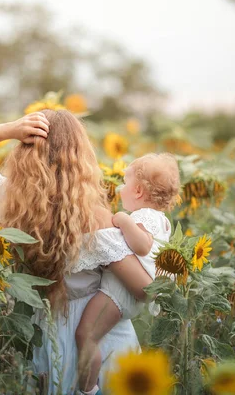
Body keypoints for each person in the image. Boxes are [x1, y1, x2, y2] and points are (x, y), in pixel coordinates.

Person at [0, 109, 152, 394]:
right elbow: (145, 289)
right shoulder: (96, 219)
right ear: (81, 157)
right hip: (94, 338)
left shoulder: (9, 201)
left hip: (39, 331)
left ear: (24, 152)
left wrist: (12, 128)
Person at [75, 153, 180, 393]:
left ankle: (88, 389)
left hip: (117, 294)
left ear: (139, 191)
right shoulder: (163, 220)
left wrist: (122, 220)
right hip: (128, 297)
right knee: (98, 336)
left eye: (124, 182)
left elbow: (141, 245)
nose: (120, 187)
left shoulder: (141, 217)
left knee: (86, 335)